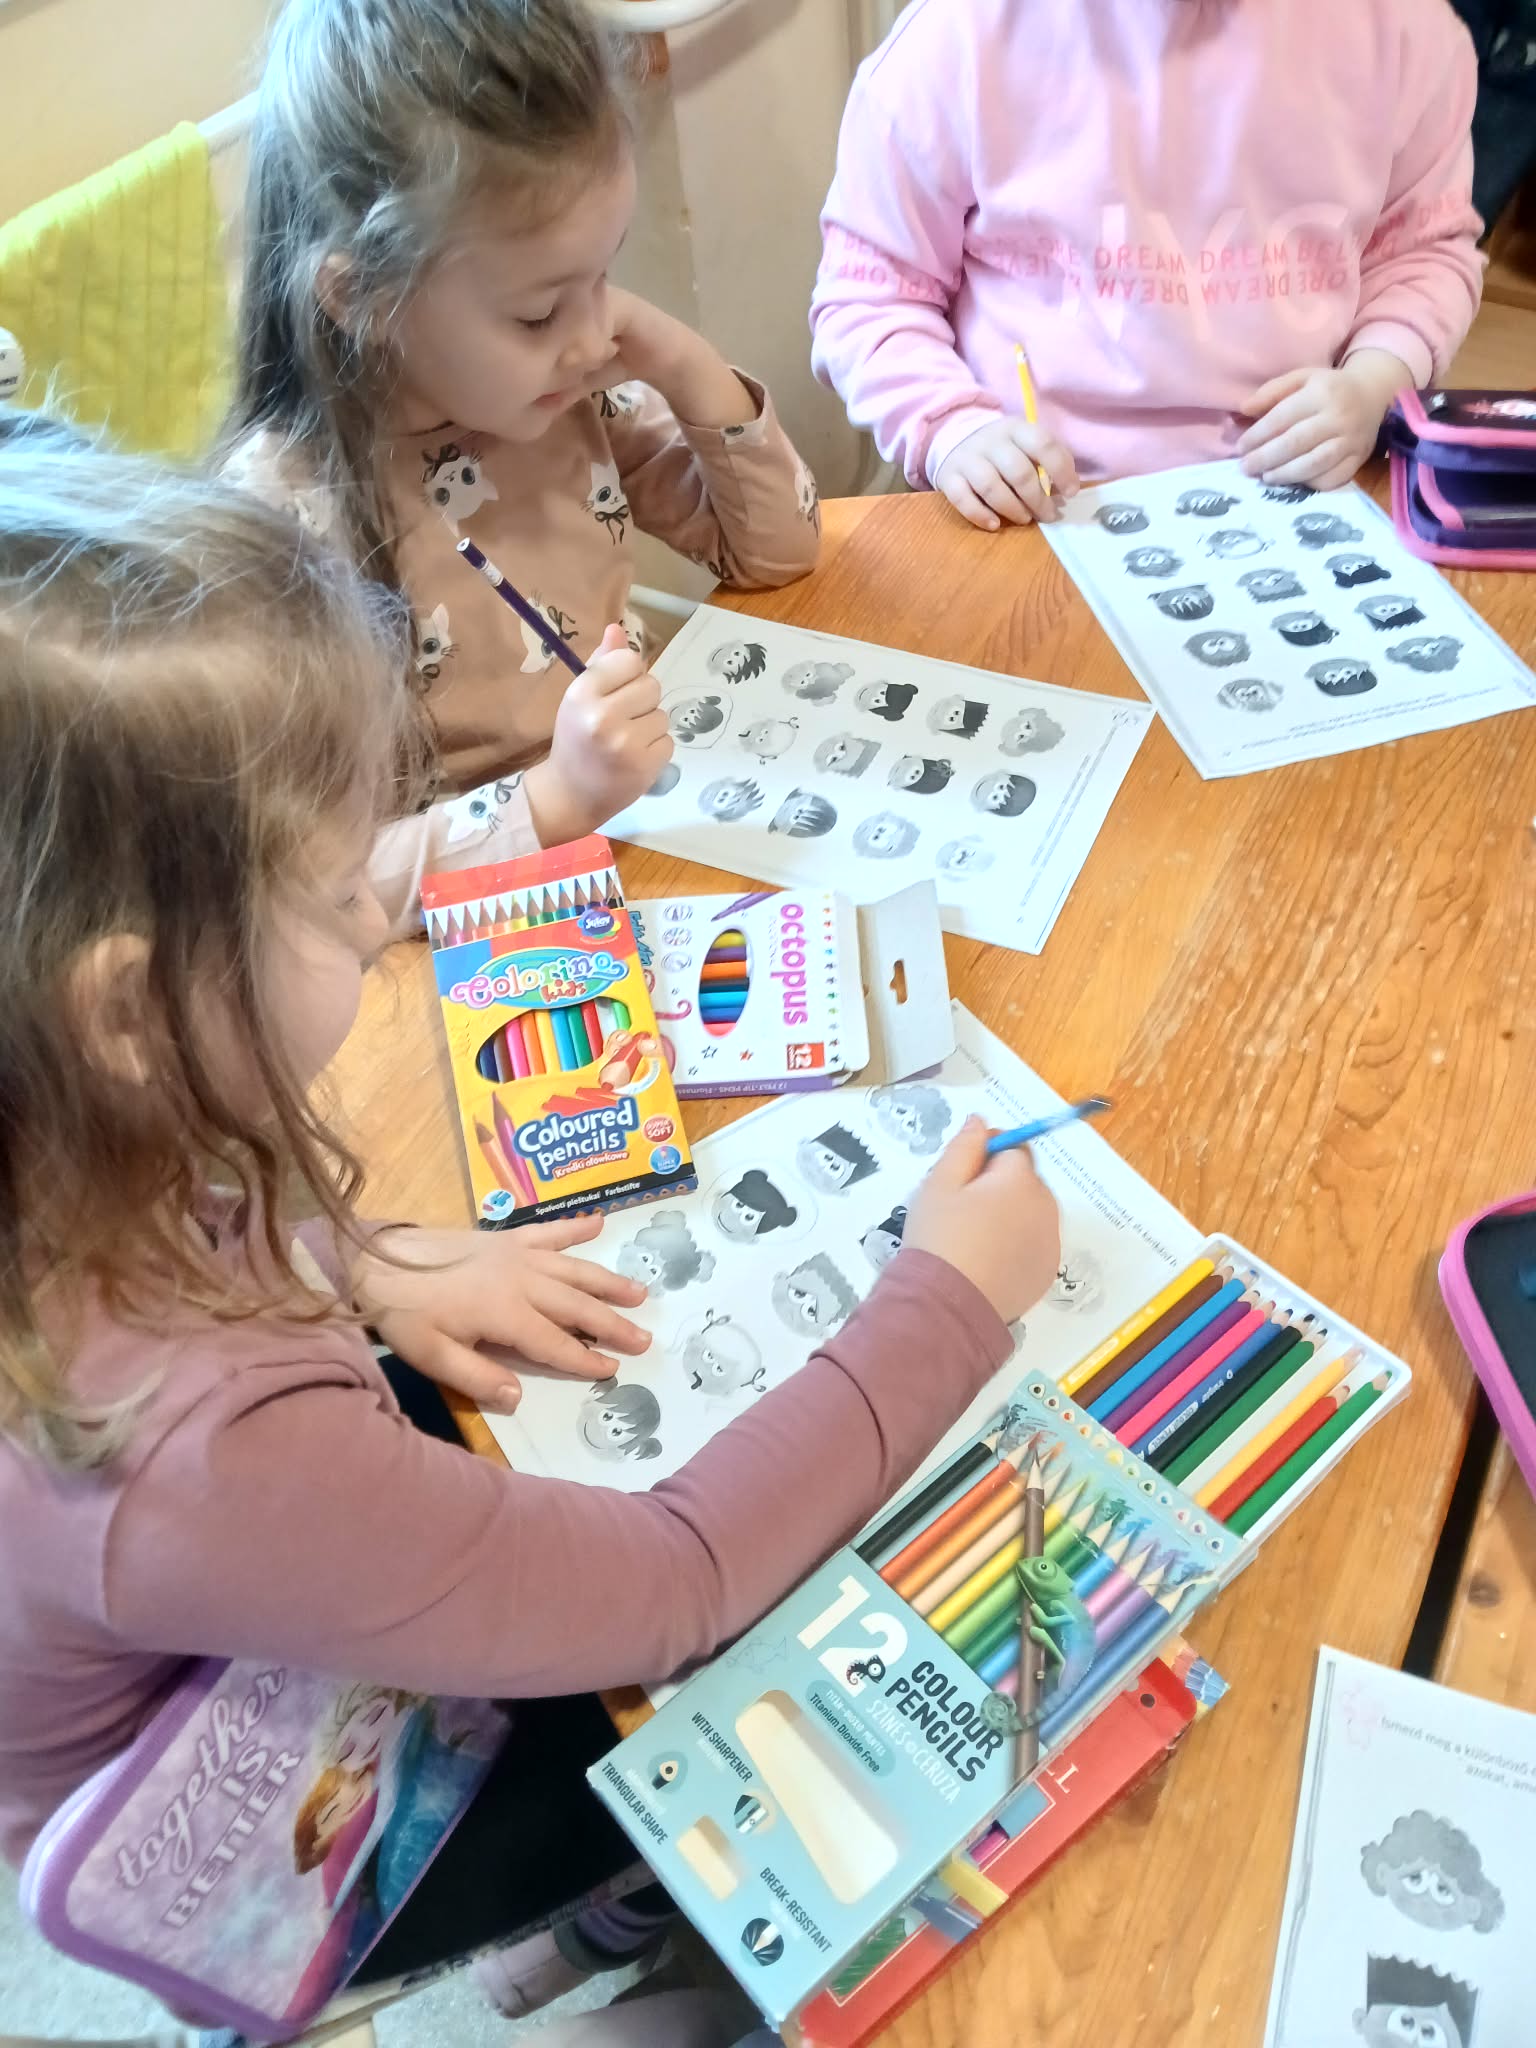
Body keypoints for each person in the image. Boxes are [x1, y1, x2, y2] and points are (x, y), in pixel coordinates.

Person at [0, 435, 1060, 2025]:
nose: (382, 904)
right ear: (128, 1011)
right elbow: (679, 1578)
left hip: (242, 1606)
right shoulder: (196, 1458)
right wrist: (948, 1299)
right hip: (278, 1830)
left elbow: (189, 1228)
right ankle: (638, 1894)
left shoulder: (62, 1117)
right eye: (337, 891)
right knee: (813, 1658)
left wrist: (358, 1264)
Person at [223, 0, 819, 883]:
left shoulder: (565, 393)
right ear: (361, 299)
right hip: (482, 923)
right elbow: (316, 883)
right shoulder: (281, 522)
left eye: (606, 274)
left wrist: (684, 362)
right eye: (539, 312)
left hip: (653, 835)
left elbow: (778, 552)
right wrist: (557, 797)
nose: (593, 335)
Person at [811, 0, 1483, 529]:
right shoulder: (958, 37)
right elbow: (871, 296)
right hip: (1033, 501)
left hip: (1302, 487)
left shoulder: (1403, 30)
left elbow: (1421, 252)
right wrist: (952, 427)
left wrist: (1373, 382)